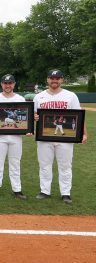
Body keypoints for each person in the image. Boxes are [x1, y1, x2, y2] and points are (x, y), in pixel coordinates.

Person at [34, 69, 88, 204]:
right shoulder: (39, 97)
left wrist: (84, 133)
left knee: (65, 165)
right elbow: (33, 116)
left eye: (57, 78)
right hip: (44, 137)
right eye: (52, 78)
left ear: (62, 80)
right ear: (47, 79)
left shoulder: (70, 96)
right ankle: (45, 191)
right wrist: (34, 118)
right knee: (45, 165)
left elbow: (79, 115)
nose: (54, 80)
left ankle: (65, 193)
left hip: (65, 140)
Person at [0, 74, 27, 199]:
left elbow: (25, 117)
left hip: (16, 137)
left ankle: (17, 189)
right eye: (5, 83)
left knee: (15, 163)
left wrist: (28, 128)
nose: (8, 85)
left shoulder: (20, 99)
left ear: (14, 84)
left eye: (10, 83)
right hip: (0, 136)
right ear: (1, 84)